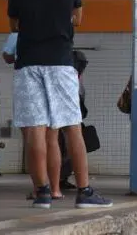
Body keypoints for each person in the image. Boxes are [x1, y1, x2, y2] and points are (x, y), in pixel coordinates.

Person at [7, 0, 112, 209]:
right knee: (71, 128)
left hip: (28, 64)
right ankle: (85, 192)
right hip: (60, 62)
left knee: (34, 131)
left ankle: (42, 192)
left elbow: (14, 26)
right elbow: (78, 18)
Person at [1, 31, 65, 200]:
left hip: (28, 81)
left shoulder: (19, 31)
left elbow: (7, 57)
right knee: (52, 139)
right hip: (54, 78)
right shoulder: (56, 24)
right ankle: (56, 189)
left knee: (32, 137)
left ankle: (39, 188)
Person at [59, 50, 89, 190]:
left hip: (73, 117)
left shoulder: (78, 77)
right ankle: (59, 179)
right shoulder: (68, 76)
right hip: (65, 119)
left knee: (68, 151)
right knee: (65, 149)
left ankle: (63, 178)